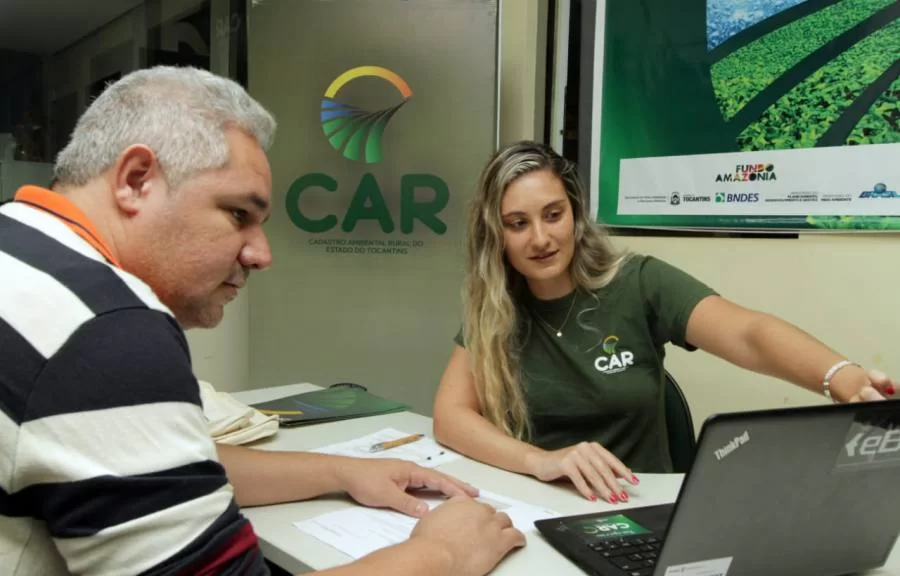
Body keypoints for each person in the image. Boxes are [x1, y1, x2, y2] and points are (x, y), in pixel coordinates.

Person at [0, 66, 523, 576]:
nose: (261, 254)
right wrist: (442, 556)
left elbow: (144, 466)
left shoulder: (22, 252)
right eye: (237, 215)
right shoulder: (104, 328)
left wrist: (340, 471)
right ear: (137, 181)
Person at [432, 140, 897, 506]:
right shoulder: (496, 307)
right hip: (538, 507)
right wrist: (541, 462)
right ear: (497, 234)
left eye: (553, 215)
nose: (540, 238)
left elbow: (748, 333)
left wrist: (843, 378)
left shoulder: (639, 282)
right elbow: (450, 417)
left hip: (640, 506)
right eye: (517, 223)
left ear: (574, 215)